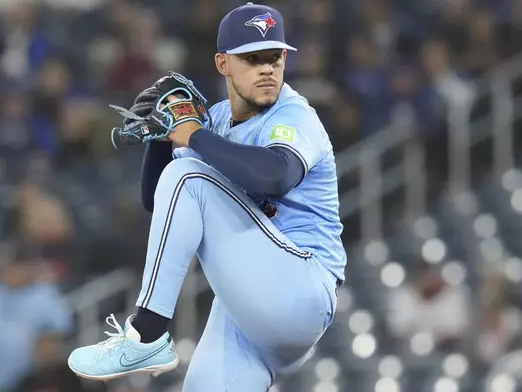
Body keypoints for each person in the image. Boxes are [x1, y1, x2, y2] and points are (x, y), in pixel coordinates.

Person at [68, 2, 346, 391]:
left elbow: (275, 175)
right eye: (252, 58)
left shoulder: (294, 115)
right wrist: (162, 140)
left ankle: (147, 333)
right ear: (223, 64)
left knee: (189, 176)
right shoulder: (213, 120)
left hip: (301, 289)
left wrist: (192, 136)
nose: (267, 68)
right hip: (247, 318)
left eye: (275, 57)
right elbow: (158, 200)